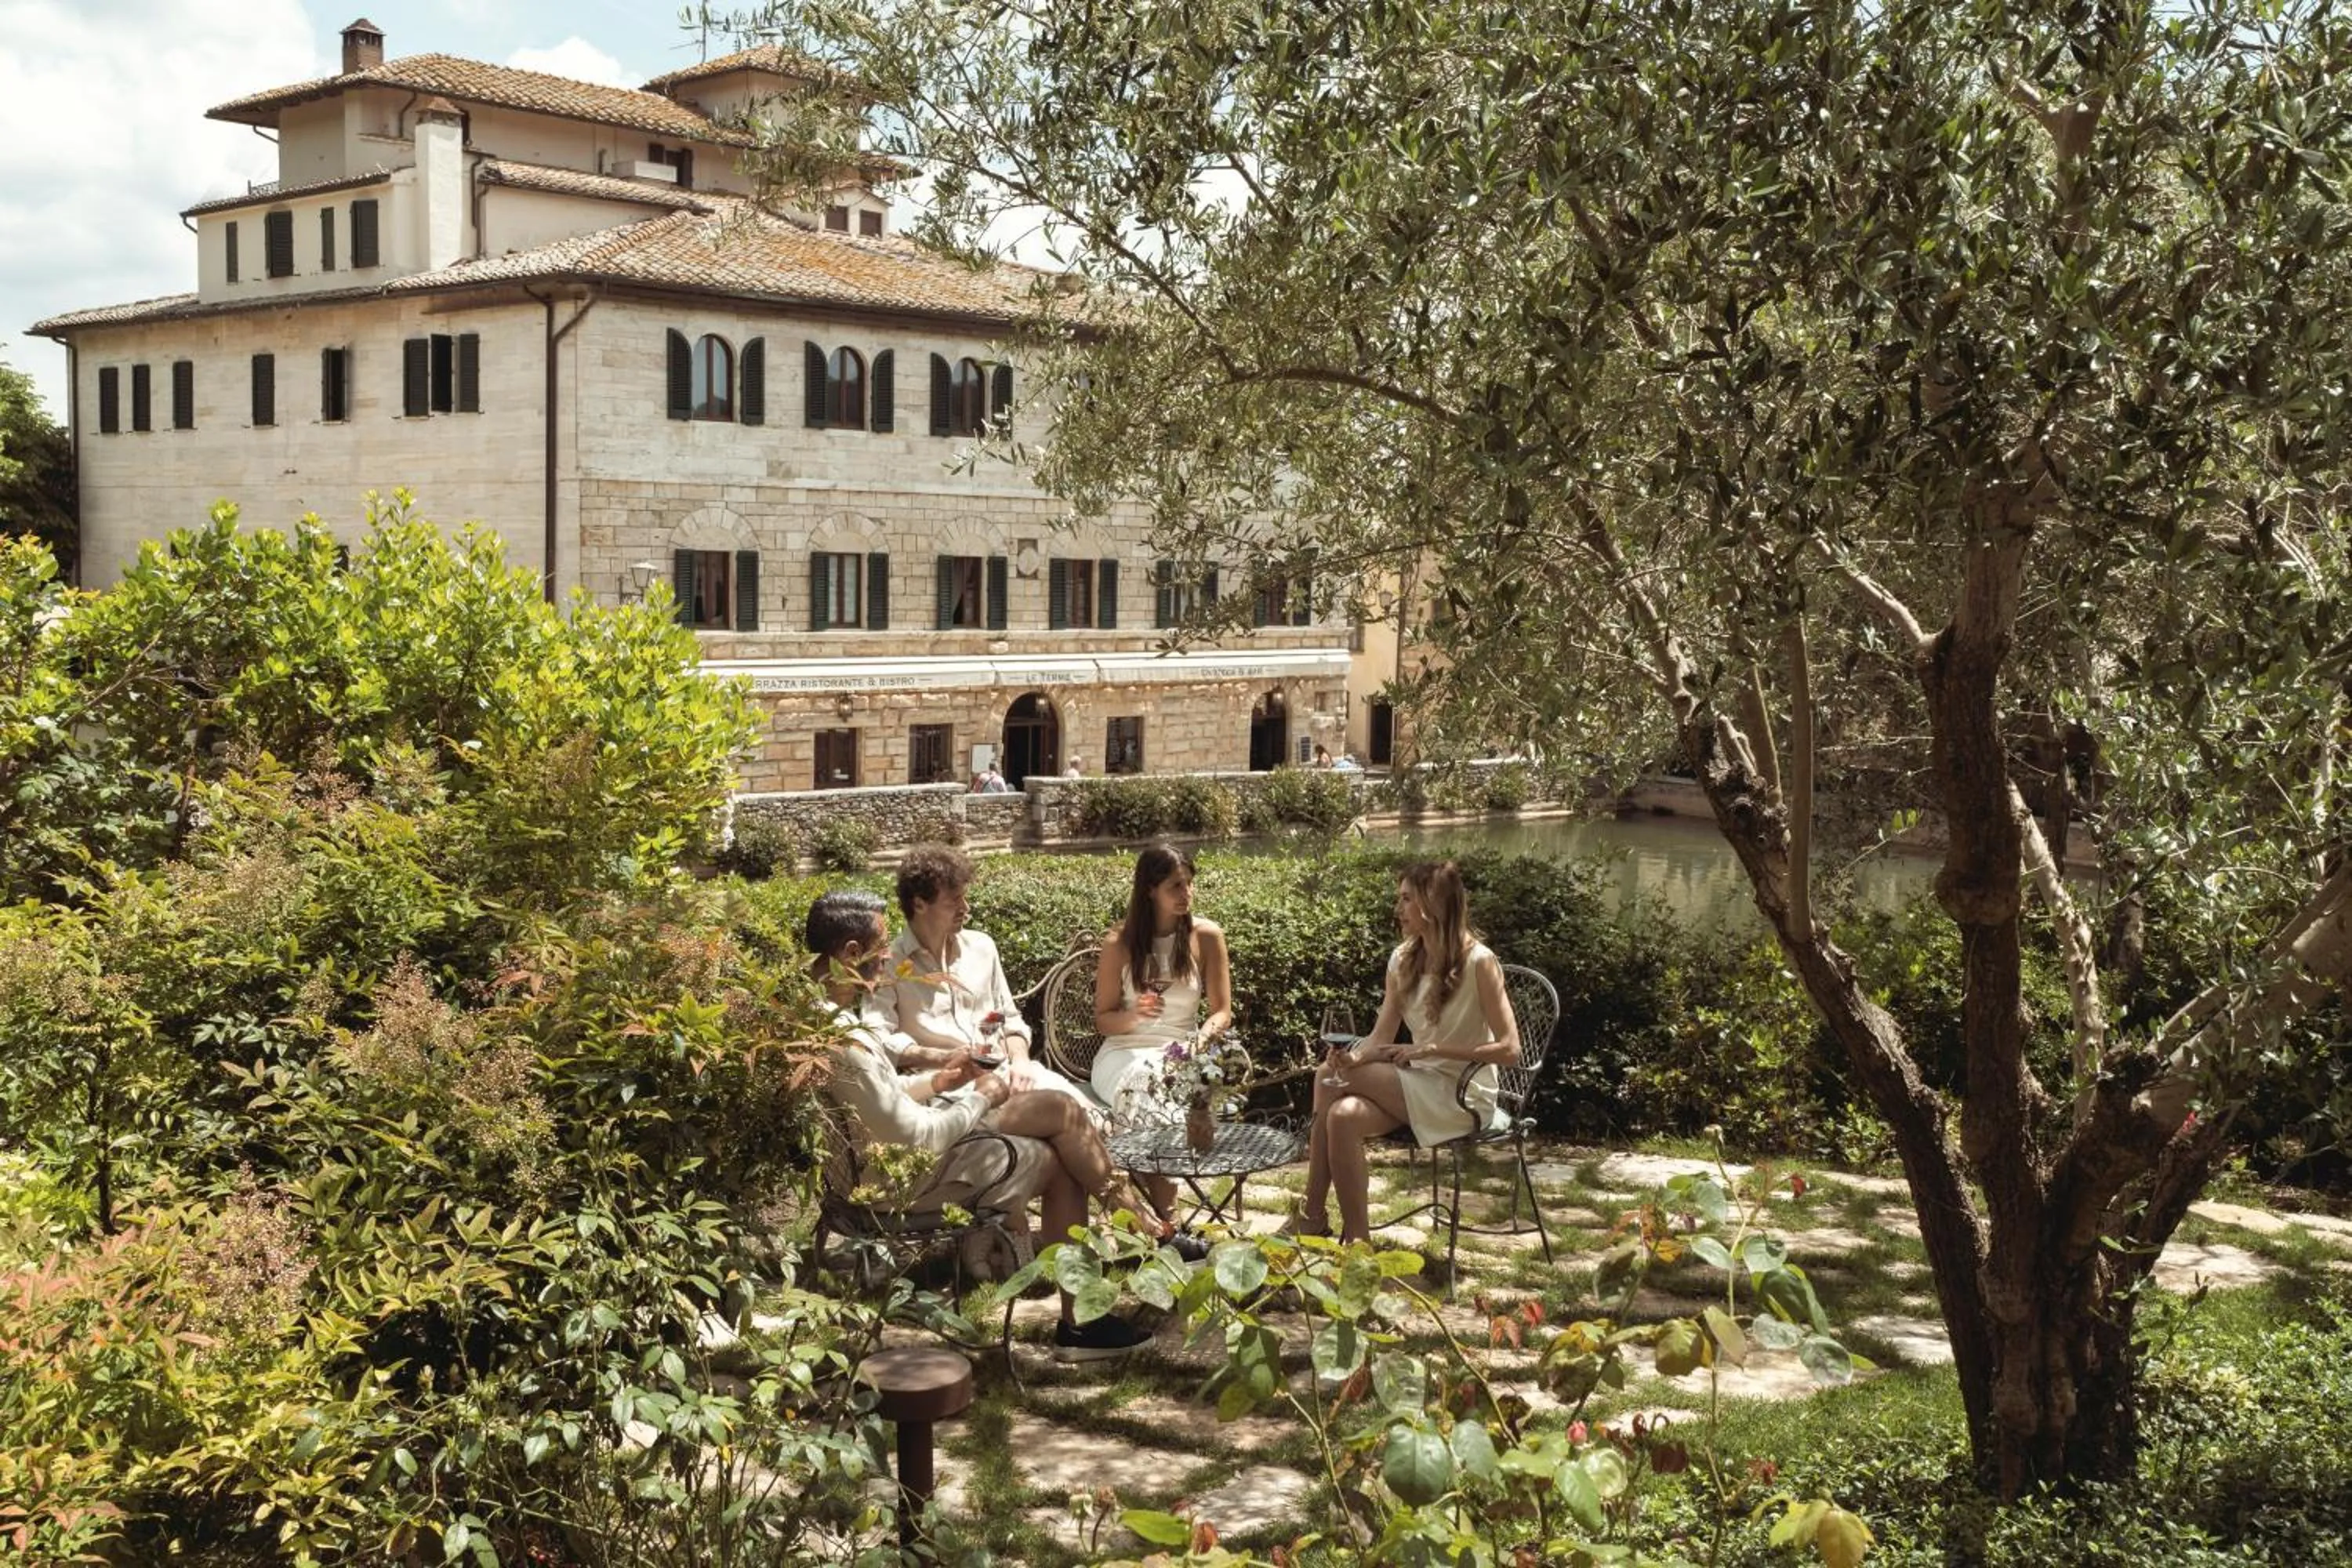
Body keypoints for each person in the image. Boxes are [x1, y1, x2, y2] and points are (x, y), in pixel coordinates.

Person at [808, 887, 1165, 1361]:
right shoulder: (844, 1042)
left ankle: (1132, 1238)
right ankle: (1106, 1290)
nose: (887, 962)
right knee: (1060, 1152)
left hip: (885, 1159)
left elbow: (885, 1104)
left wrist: (941, 1081)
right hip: (898, 1181)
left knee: (1059, 1110)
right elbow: (915, 1137)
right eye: (879, 951)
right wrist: (978, 1096)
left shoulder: (817, 1019)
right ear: (851, 954)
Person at [1296, 860, 1519, 1243]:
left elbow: (1511, 1049)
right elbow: (1381, 1035)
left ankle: (1311, 1214)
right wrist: (1355, 1058)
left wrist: (1432, 1048)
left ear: (1431, 905)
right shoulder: (1402, 960)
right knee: (1343, 1114)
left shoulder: (1480, 962)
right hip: (1414, 1084)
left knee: (1325, 1078)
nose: (1397, 910)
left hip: (1462, 1093)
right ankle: (1358, 1242)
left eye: (1405, 900)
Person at [1093, 844, 1234, 1218]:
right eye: (1175, 886)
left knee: (1164, 1083)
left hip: (1182, 1050)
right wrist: (1136, 1016)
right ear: (1150, 890)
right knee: (1145, 1082)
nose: (1186, 894)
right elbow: (1103, 1019)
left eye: (1189, 884)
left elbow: (1222, 1011)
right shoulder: (1119, 942)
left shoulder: (1207, 936)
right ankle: (1167, 1216)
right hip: (1123, 1053)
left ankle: (1151, 1220)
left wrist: (1202, 1040)